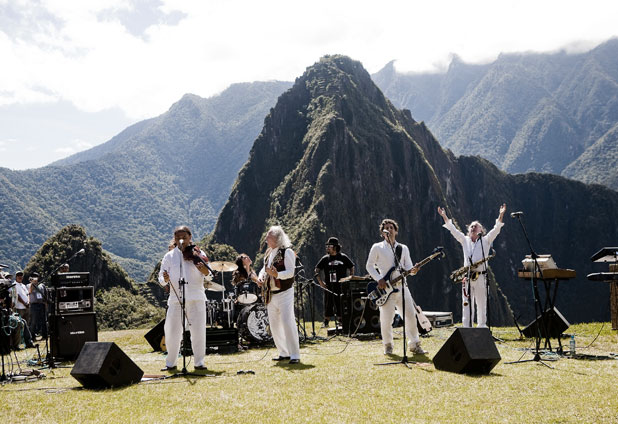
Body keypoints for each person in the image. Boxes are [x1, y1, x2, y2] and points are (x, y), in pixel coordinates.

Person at [437, 204, 506, 328]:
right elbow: (452, 229)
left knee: (481, 303)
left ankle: (482, 326)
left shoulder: (486, 240)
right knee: (466, 303)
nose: (473, 228)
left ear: (481, 231)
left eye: (476, 226)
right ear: (469, 230)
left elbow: (497, 229)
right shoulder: (464, 240)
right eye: (472, 226)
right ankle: (467, 327)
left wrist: (501, 214)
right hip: (467, 276)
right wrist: (444, 216)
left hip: (480, 276)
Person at [366, 219, 426, 355]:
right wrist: (379, 279)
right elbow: (369, 266)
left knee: (411, 316)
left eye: (391, 227)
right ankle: (388, 345)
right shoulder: (377, 247)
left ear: (396, 231)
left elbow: (408, 267)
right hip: (386, 289)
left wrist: (414, 270)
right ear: (382, 233)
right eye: (386, 228)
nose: (389, 230)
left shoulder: (403, 248)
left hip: (402, 287)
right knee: (386, 319)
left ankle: (414, 344)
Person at [158, 226, 210, 371]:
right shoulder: (169, 256)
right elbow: (161, 277)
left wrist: (205, 271)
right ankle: (171, 363)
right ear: (175, 239)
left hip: (196, 297)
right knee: (172, 331)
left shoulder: (198, 253)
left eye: (184, 237)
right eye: (178, 237)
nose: (181, 240)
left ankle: (199, 363)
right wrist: (165, 279)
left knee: (198, 332)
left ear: (190, 237)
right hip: (176, 299)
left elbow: (210, 274)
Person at [257, 226, 300, 364]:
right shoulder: (269, 252)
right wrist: (260, 277)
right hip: (271, 294)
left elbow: (290, 273)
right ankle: (283, 352)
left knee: (288, 322)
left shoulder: (287, 252)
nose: (266, 239)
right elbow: (264, 269)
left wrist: (277, 275)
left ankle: (295, 354)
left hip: (285, 292)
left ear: (276, 238)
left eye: (268, 237)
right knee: (274, 325)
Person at [314, 237, 355, 328]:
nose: (327, 248)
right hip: (329, 285)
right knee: (328, 303)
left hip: (341, 285)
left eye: (330, 246)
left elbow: (351, 266)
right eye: (327, 246)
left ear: (335, 247)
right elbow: (317, 270)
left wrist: (350, 278)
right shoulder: (325, 259)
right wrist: (321, 282)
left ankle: (341, 321)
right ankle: (326, 321)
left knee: (340, 302)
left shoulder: (343, 257)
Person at [11, 271, 35, 348]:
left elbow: (27, 294)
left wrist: (28, 302)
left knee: (26, 325)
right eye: (18, 275)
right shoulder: (14, 285)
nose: (20, 277)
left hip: (26, 307)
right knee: (18, 326)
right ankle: (17, 343)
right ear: (16, 276)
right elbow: (17, 296)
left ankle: (26, 342)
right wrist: (25, 303)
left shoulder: (23, 285)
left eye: (21, 275)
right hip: (19, 308)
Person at [28, 272, 48, 340]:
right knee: (33, 321)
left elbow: (45, 295)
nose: (35, 278)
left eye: (36, 276)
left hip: (41, 304)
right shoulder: (29, 285)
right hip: (34, 305)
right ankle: (32, 336)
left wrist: (46, 304)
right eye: (33, 276)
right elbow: (29, 292)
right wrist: (32, 283)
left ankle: (45, 335)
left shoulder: (42, 285)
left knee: (43, 320)